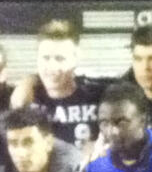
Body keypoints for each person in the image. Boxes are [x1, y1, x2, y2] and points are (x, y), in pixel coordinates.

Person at [11, 19, 108, 155]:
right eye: (45, 58)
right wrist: (29, 80)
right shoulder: (27, 97)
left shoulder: (97, 95)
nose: (52, 66)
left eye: (60, 59)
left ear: (75, 59)